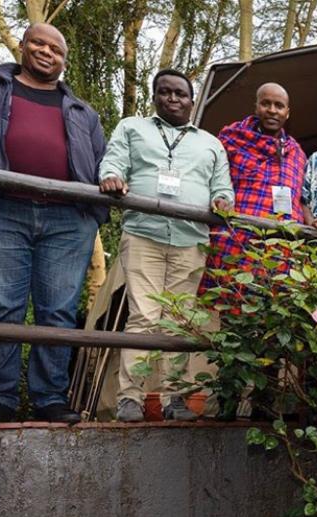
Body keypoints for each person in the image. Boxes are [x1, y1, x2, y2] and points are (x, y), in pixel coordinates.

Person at [0, 23, 107, 424]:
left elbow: (104, 167)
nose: (46, 52)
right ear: (22, 46)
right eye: (38, 43)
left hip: (68, 219)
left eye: (56, 49)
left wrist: (92, 216)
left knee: (60, 311)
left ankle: (50, 398)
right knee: (2, 306)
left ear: (64, 61)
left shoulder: (83, 111)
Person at [100, 69, 234, 422]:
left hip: (190, 240)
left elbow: (222, 187)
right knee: (143, 315)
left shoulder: (210, 143)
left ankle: (176, 397)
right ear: (155, 96)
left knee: (179, 320)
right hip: (145, 232)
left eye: (180, 94)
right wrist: (110, 176)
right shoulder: (132, 128)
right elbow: (113, 162)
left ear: (192, 102)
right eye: (165, 92)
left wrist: (222, 200)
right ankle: (131, 398)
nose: (173, 98)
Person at [202, 82, 307, 297]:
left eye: (279, 106)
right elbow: (212, 181)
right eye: (266, 103)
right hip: (234, 242)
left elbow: (302, 199)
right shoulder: (231, 139)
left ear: (287, 113)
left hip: (281, 250)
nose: (272, 110)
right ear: (256, 106)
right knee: (222, 305)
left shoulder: (296, 152)